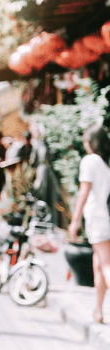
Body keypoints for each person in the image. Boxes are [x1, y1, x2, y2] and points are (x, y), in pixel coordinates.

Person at [67, 125, 110, 324]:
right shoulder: (106, 162)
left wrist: (74, 221)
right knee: (98, 265)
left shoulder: (90, 161)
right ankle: (98, 311)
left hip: (98, 219)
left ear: (91, 143)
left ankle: (99, 310)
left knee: (105, 265)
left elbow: (84, 192)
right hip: (106, 218)